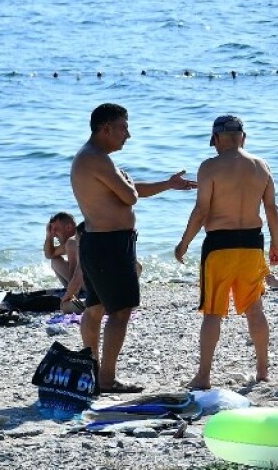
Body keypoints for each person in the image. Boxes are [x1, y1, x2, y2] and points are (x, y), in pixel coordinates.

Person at [70, 103, 196, 393]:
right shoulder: (97, 159)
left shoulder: (93, 158)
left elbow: (129, 188)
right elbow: (129, 196)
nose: (129, 134)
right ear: (106, 129)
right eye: (124, 128)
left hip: (99, 242)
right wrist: (126, 181)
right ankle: (106, 379)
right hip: (109, 245)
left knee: (96, 307)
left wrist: (168, 184)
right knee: (120, 311)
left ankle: (94, 372)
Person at [174, 114, 278, 389]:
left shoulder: (210, 167)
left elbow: (201, 211)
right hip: (252, 244)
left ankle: (203, 375)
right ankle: (262, 370)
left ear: (216, 139)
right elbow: (271, 209)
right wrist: (276, 244)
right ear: (243, 137)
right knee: (255, 309)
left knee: (213, 313)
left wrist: (184, 243)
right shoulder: (262, 166)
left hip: (219, 246)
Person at [44, 211, 85, 312]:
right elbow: (50, 254)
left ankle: (72, 292)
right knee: (55, 261)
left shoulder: (72, 241)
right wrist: (49, 236)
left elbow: (75, 273)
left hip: (92, 283)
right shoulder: (71, 242)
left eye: (55, 229)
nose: (54, 234)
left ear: (68, 227)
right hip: (89, 282)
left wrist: (69, 296)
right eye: (51, 230)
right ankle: (72, 291)